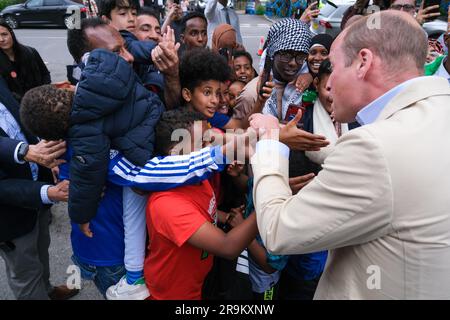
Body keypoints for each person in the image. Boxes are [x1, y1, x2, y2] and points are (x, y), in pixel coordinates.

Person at [250, 11, 450, 299]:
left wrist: (270, 139)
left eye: (334, 65)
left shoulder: (375, 147)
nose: (327, 83)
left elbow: (279, 231)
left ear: (363, 63)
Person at [144, 108, 258, 300]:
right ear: (176, 154)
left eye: (209, 140)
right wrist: (267, 204)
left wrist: (227, 217)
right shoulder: (168, 205)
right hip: (175, 294)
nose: (210, 148)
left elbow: (205, 211)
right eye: (202, 143)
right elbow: (228, 247)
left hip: (200, 280)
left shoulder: (199, 178)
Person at [0, 77, 77, 300]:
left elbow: (20, 121)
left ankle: (47, 290)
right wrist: (47, 192)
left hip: (38, 199)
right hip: (10, 217)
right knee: (25, 272)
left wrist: (44, 159)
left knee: (41, 251)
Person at [0, 21, 50, 102]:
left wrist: (43, 93)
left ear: (11, 34)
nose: (1, 39)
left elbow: (45, 74)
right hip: (17, 106)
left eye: (4, 34)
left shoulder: (31, 52)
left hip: (41, 100)